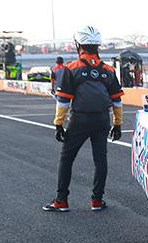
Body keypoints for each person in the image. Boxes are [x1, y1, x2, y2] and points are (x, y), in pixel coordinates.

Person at [43, 26, 124, 212]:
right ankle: (97, 200)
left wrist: (58, 124)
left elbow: (63, 100)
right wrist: (117, 124)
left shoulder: (71, 69)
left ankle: (61, 200)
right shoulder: (109, 71)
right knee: (100, 160)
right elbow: (117, 100)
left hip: (79, 120)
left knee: (66, 158)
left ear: (78, 45)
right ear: (98, 46)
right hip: (102, 119)